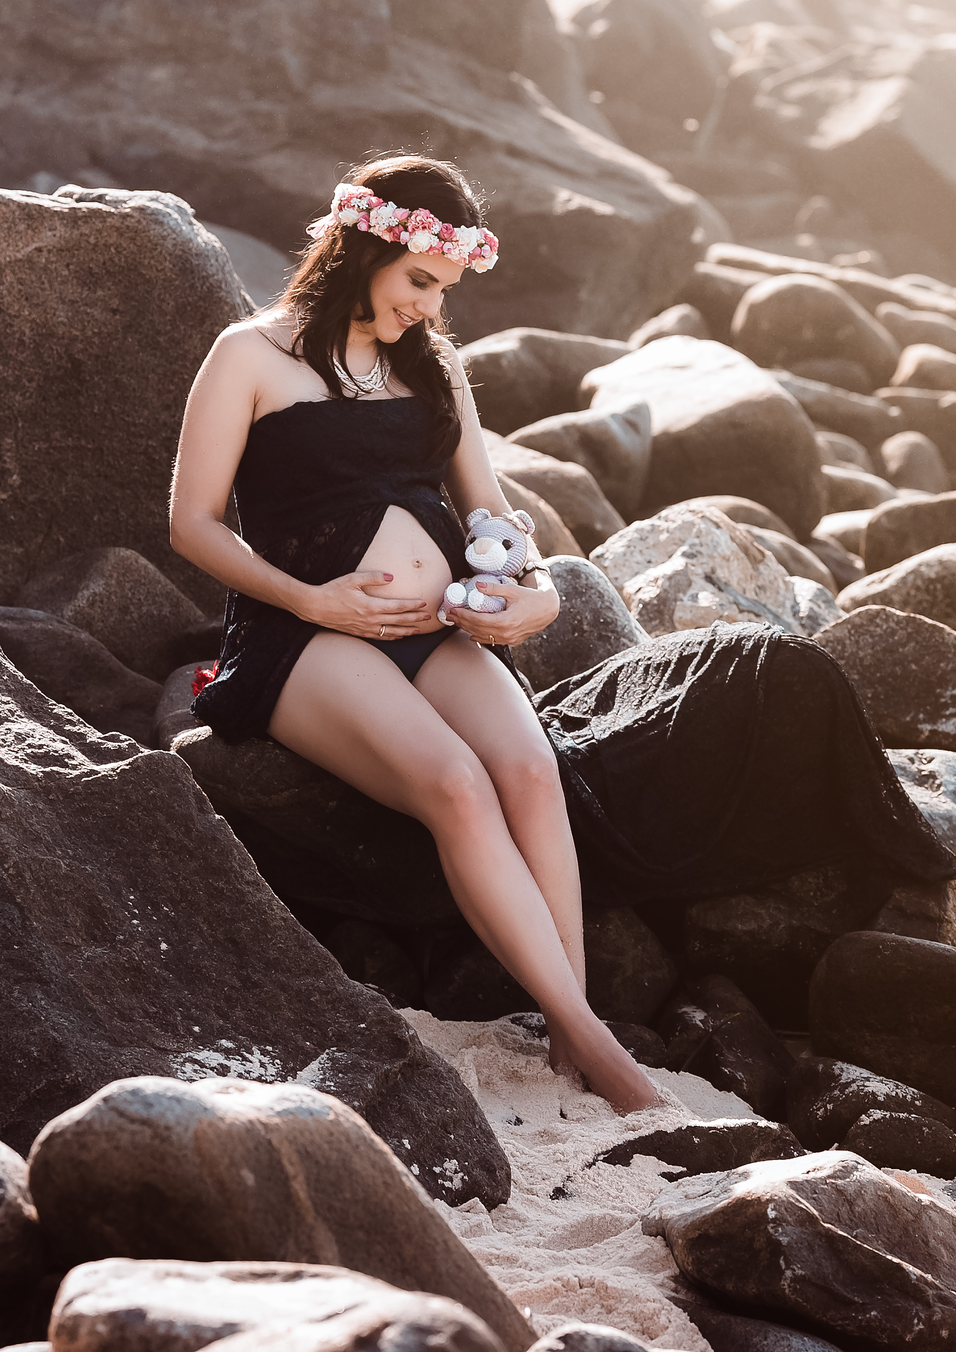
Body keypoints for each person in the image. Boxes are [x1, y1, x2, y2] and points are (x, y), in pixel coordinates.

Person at [170, 152, 665, 1112]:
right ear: (365, 248)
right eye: (421, 283)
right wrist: (312, 602)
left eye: (443, 289)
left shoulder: (431, 367)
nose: (431, 308)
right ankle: (598, 1046)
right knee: (455, 783)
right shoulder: (248, 356)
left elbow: (491, 506)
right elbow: (191, 523)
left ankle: (572, 1025)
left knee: (530, 767)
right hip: (305, 634)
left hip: (435, 629)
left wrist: (541, 595)